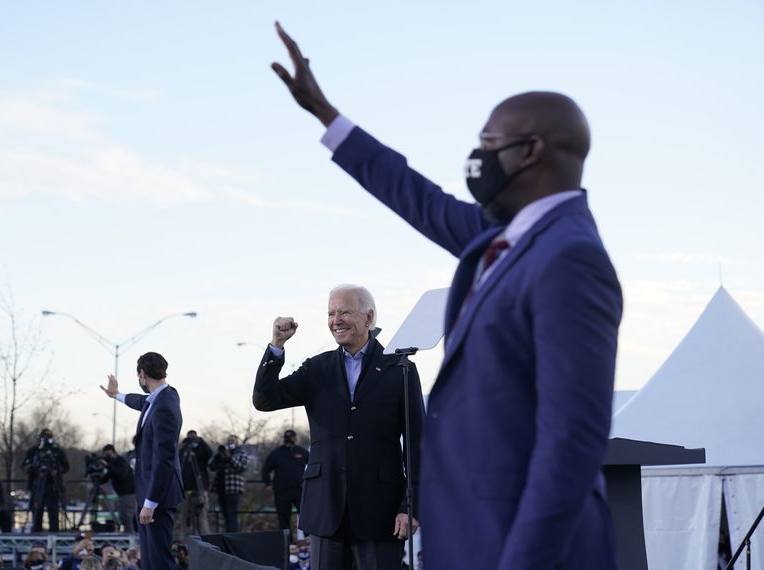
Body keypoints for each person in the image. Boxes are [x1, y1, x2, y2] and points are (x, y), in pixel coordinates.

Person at [271, 23, 623, 569]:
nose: (477, 155)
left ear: (530, 151)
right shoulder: (500, 238)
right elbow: (417, 196)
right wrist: (326, 115)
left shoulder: (570, 259)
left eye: (488, 142)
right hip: (474, 536)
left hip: (523, 546)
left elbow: (571, 442)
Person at [253, 284, 424, 569]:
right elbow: (264, 400)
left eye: (345, 311)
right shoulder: (316, 369)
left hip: (380, 513)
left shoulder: (400, 367)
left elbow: (418, 444)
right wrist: (276, 346)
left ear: (368, 318)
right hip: (325, 511)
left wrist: (410, 507)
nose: (336, 320)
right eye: (331, 313)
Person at [100, 352, 184, 569]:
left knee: (158, 560)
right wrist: (116, 395)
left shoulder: (163, 406)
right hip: (150, 494)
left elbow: (164, 458)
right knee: (148, 560)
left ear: (143, 374)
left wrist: (150, 502)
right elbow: (140, 401)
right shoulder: (161, 398)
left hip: (157, 497)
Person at [261, 430, 309, 537]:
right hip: (281, 491)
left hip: (299, 489)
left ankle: (308, 541)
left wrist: (310, 481)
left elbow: (313, 464)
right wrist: (267, 483)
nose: (291, 439)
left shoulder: (301, 452)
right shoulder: (277, 453)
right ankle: (287, 542)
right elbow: (266, 468)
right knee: (283, 517)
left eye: (292, 437)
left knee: (306, 514)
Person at [22, 428, 69, 532]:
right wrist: (33, 467)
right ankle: (37, 534)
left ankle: (54, 535)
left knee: (53, 512)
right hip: (37, 484)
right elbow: (24, 467)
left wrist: (56, 469)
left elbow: (66, 467)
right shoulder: (33, 451)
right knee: (37, 511)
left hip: (52, 485)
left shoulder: (57, 451)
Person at [208, 434, 248, 533]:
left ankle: (234, 535)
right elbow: (211, 466)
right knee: (225, 515)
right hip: (221, 488)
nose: (230, 443)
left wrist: (229, 457)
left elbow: (241, 467)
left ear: (237, 442)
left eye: (232, 441)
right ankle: (227, 535)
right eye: (229, 441)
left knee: (232, 514)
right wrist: (219, 455)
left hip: (233, 488)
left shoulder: (241, 453)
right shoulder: (222, 453)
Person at [178, 429, 213, 535]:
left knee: (202, 515)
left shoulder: (201, 450)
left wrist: (200, 441)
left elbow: (210, 455)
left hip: (200, 487)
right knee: (185, 516)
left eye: (194, 438)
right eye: (190, 438)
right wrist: (184, 444)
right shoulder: (184, 451)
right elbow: (178, 462)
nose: (192, 440)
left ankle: (206, 538)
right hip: (186, 488)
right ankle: (184, 541)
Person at [99, 445, 136, 533]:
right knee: (124, 517)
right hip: (123, 494)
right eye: (105, 455)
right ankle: (129, 536)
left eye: (108, 455)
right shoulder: (113, 465)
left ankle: (130, 539)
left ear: (114, 452)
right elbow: (107, 476)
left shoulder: (121, 461)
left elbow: (121, 473)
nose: (107, 457)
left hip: (129, 493)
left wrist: (107, 465)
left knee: (126, 517)